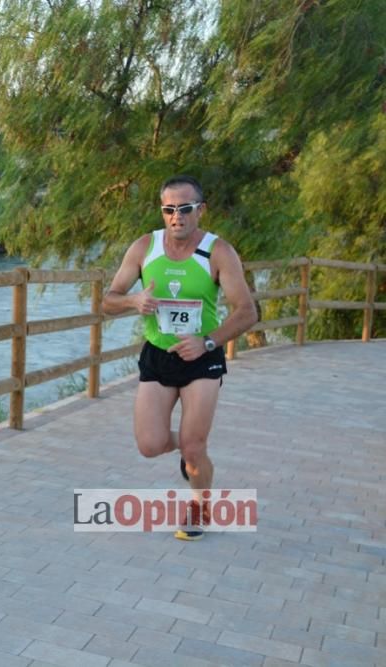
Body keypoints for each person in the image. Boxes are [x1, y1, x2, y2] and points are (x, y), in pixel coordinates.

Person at [103, 175, 258, 540]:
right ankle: (192, 449)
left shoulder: (219, 252)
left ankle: (199, 503)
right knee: (150, 444)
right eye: (169, 209)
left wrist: (206, 342)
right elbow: (107, 300)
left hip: (202, 358)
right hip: (158, 354)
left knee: (193, 445)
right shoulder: (144, 248)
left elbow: (247, 312)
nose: (177, 217)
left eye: (185, 208)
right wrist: (132, 301)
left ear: (200, 211)